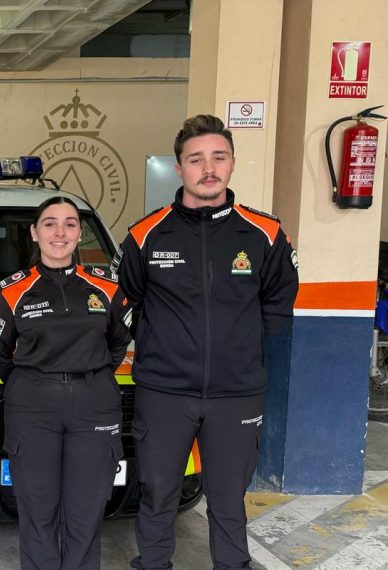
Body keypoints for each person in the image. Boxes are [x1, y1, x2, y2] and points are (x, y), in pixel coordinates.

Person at [117, 115, 299, 569]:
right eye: (196, 160)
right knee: (158, 493)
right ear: (179, 169)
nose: (208, 168)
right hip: (163, 393)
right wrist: (162, 347)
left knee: (228, 500)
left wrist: (241, 348)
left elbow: (279, 302)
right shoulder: (146, 235)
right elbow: (127, 303)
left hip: (237, 395)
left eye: (218, 157)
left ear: (232, 162)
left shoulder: (265, 234)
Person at [0, 196, 131, 570]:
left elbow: (118, 343)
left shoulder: (107, 287)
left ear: (80, 233)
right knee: (38, 514)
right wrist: (35, 385)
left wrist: (88, 376)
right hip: (33, 409)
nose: (59, 232)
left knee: (85, 515)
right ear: (34, 233)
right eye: (49, 223)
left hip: (94, 405)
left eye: (69, 223)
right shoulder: (12, 290)